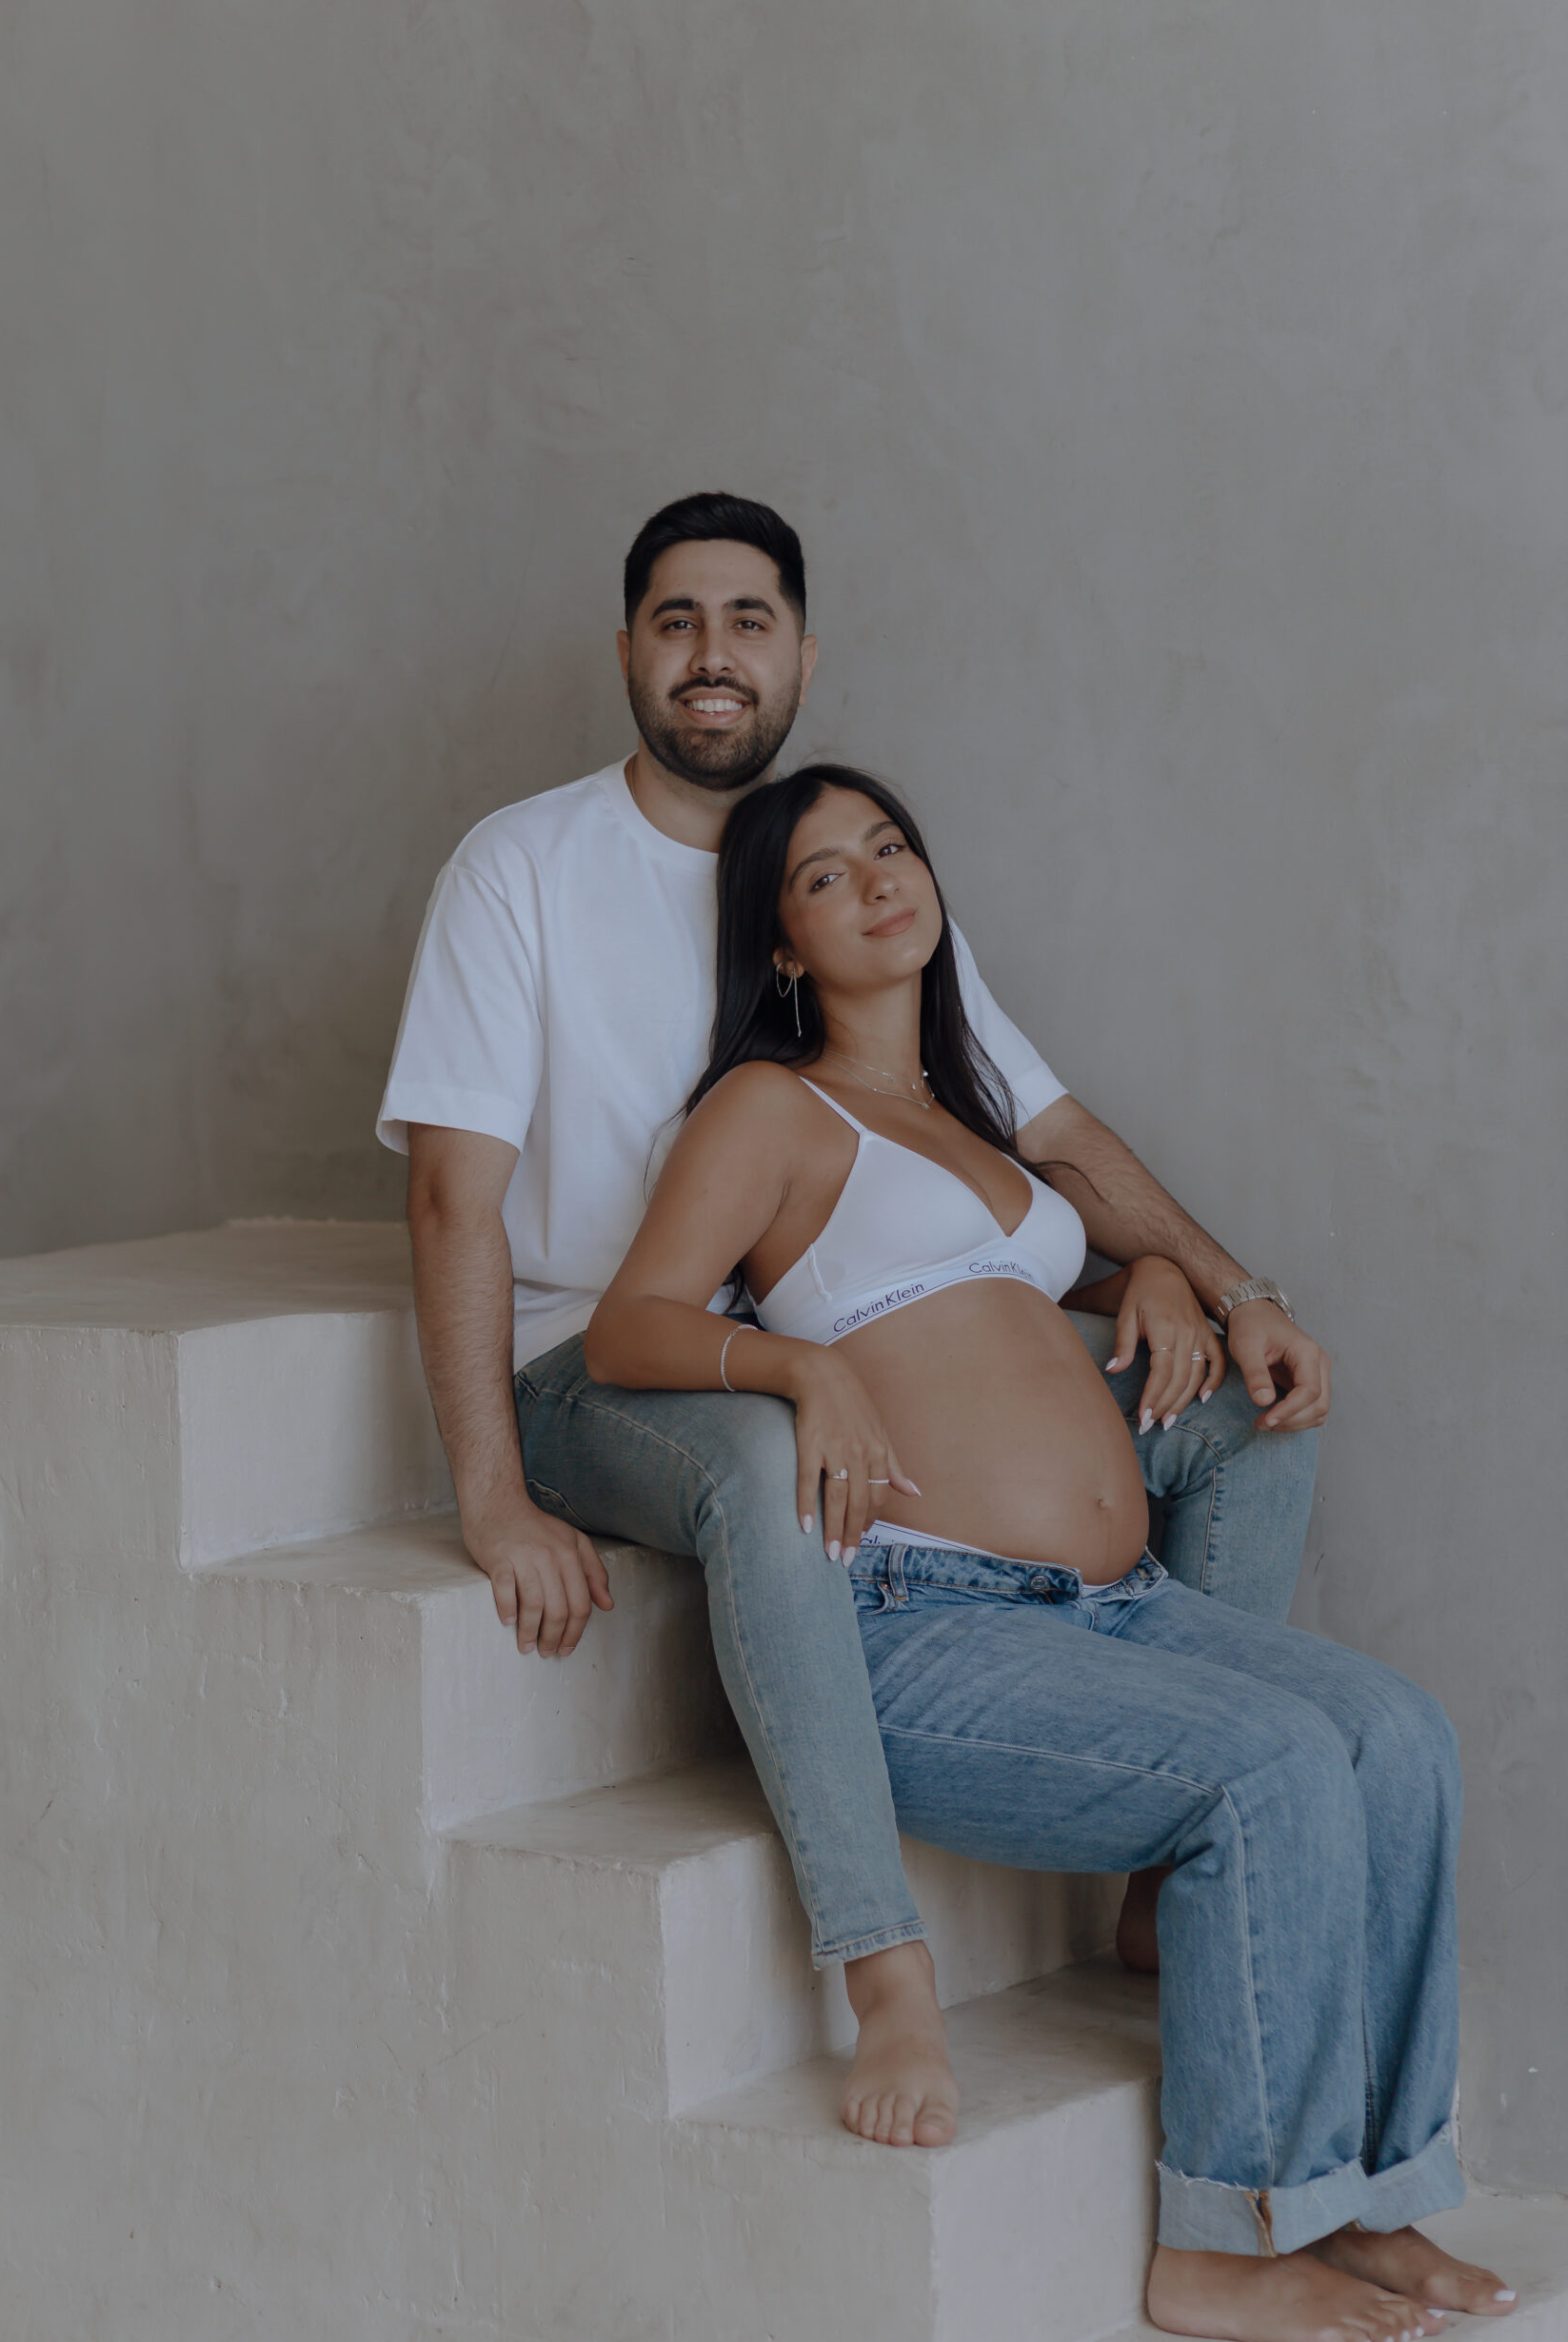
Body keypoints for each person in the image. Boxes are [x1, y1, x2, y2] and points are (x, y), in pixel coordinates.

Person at [378, 490, 1330, 2154]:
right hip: (595, 1356)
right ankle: (882, 1969)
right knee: (761, 1461)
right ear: (628, 652)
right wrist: (493, 1494)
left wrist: (1214, 1282)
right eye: (678, 620)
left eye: (748, 620)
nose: (714, 653)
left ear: (802, 657)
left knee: (1235, 1410)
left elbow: (1042, 1140)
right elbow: (457, 1199)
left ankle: (1158, 1845)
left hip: (817, 1341)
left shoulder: (846, 879)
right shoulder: (521, 866)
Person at [584, 763, 1517, 2342]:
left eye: (892, 847)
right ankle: (1224, 2244)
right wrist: (799, 1368)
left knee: (1400, 1737)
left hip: (1115, 1607)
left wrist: (1150, 1276)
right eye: (826, 875)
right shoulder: (770, 1111)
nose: (880, 880)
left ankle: (1368, 2199)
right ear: (785, 945)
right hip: (924, 1623)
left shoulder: (971, 1123)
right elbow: (631, 1326)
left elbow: (1000, 1306)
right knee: (1277, 1770)